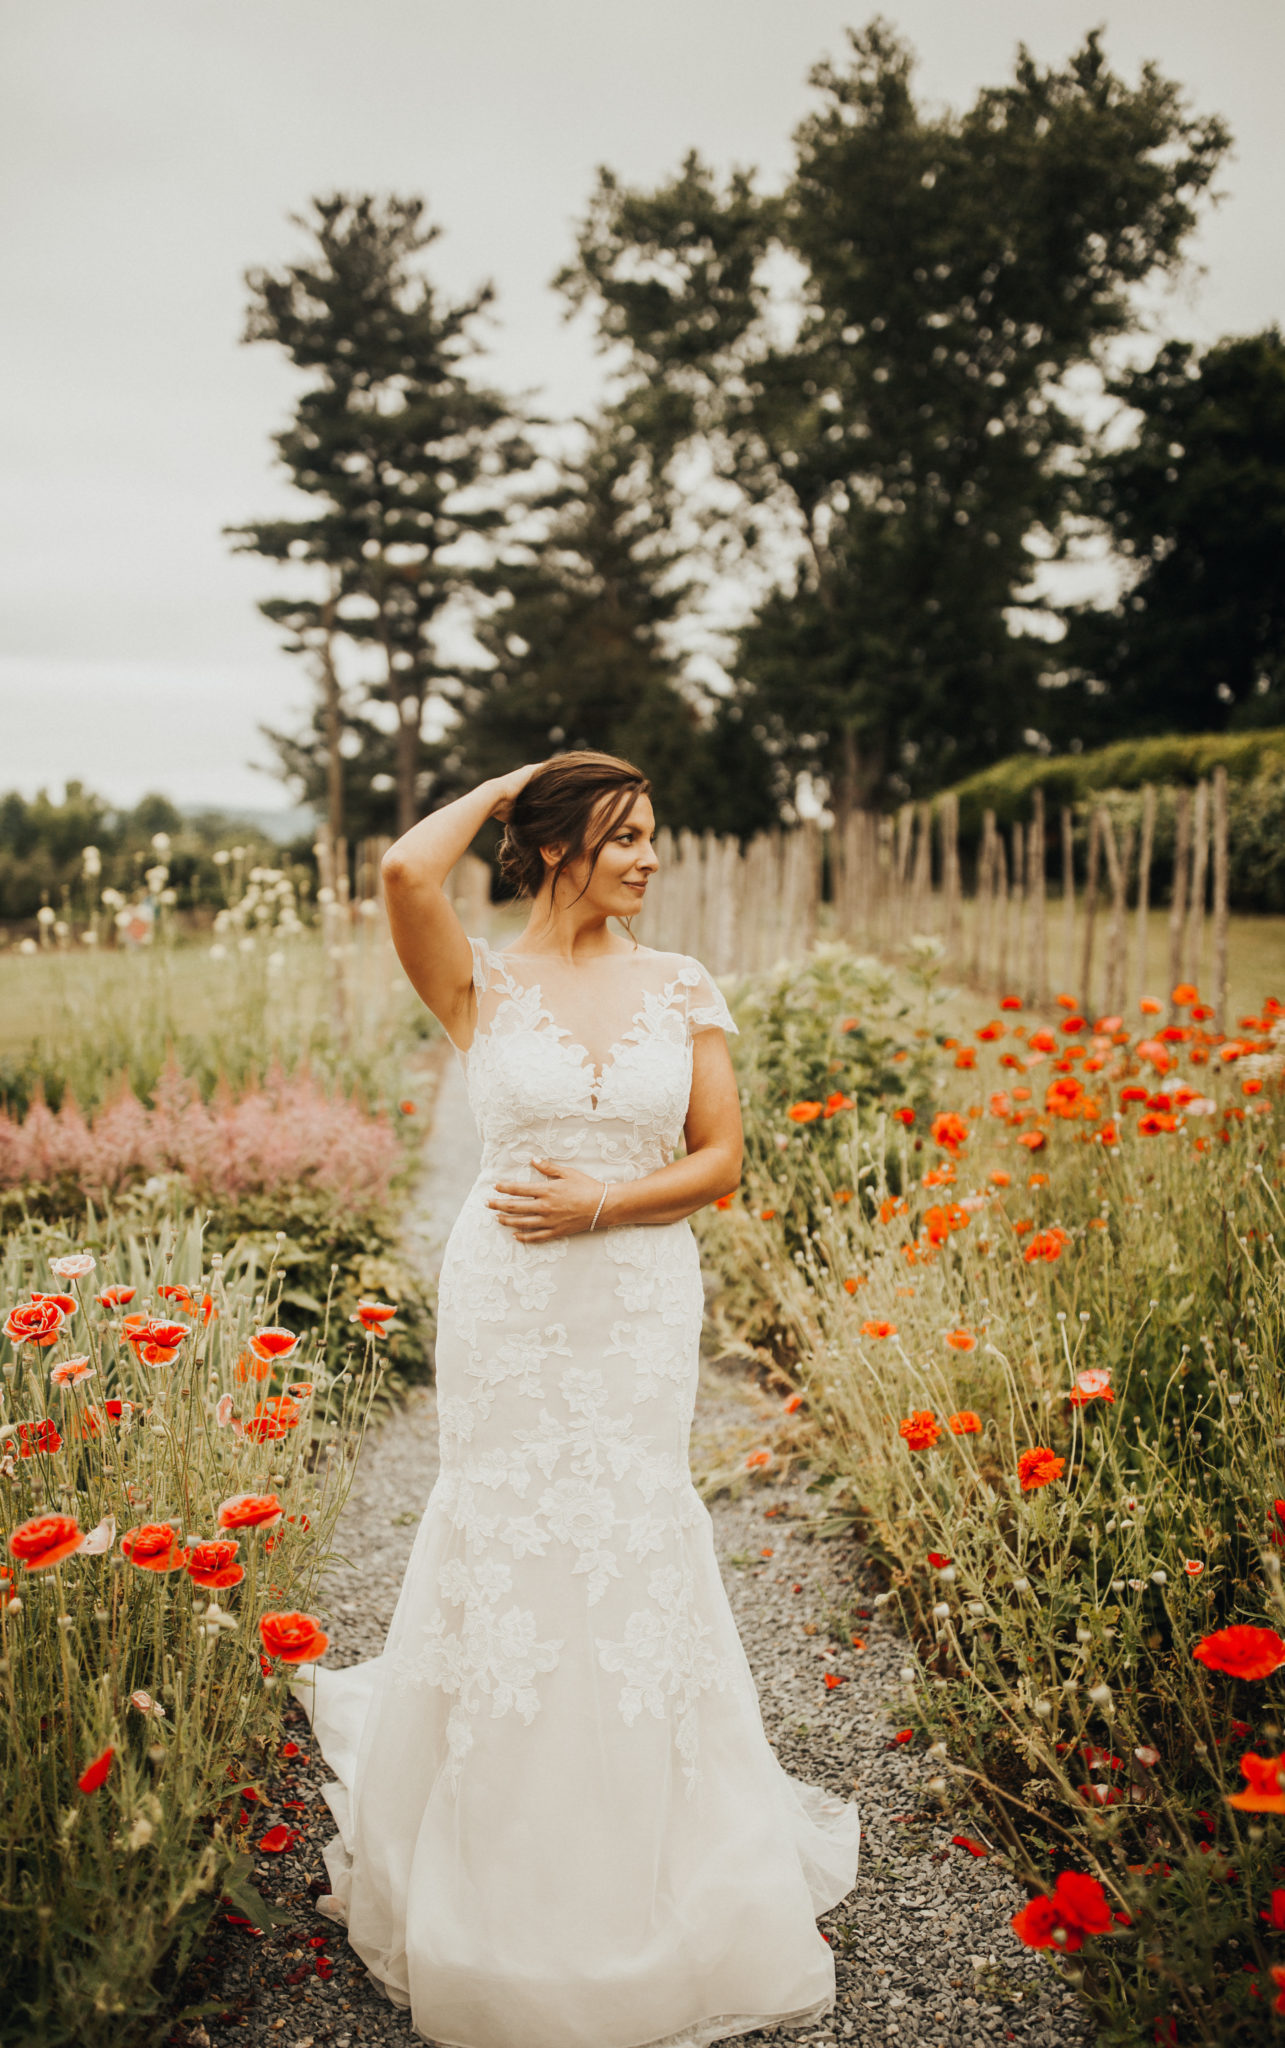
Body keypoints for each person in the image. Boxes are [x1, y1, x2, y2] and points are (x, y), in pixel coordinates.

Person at [295, 751, 858, 2048]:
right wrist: (514, 781)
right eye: (624, 838)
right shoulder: (477, 982)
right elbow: (400, 867)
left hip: (640, 1301)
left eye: (653, 834)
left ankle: (652, 1839)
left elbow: (716, 1158)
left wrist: (602, 1203)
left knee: (629, 1528)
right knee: (506, 1533)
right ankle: (495, 1840)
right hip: (508, 1309)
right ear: (555, 849)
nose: (650, 859)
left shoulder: (680, 985)